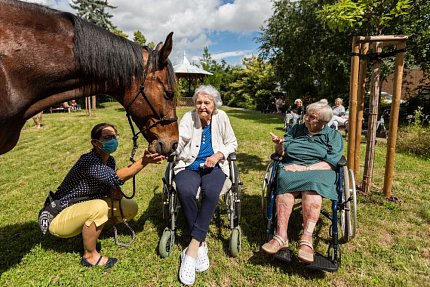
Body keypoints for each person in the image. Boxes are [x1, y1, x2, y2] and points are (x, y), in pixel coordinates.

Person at [38, 123, 165, 269]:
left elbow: (111, 183)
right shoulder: (89, 161)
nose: (113, 140)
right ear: (95, 142)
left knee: (129, 207)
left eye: (114, 136)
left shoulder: (109, 160)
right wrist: (144, 161)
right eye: (107, 137)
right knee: (100, 207)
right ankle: (90, 256)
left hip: (82, 208)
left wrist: (113, 191)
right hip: (59, 216)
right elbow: (115, 178)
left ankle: (90, 230)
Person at [261, 101, 343, 264]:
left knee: (312, 189)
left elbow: (332, 162)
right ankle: (281, 236)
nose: (305, 118)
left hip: (320, 171)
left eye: (311, 117)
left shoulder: (333, 136)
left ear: (323, 121)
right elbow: (283, 152)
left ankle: (306, 239)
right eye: (306, 114)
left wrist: (305, 169)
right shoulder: (296, 129)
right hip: (291, 167)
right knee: (284, 183)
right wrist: (279, 146)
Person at [174, 85, 238, 285]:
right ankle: (201, 244)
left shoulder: (222, 117)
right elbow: (181, 139)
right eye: (199, 102)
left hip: (215, 168)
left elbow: (232, 143)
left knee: (211, 193)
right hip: (189, 166)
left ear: (214, 104)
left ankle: (192, 249)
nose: (202, 106)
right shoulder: (188, 118)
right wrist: (170, 148)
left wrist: (219, 154)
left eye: (207, 102)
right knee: (184, 191)